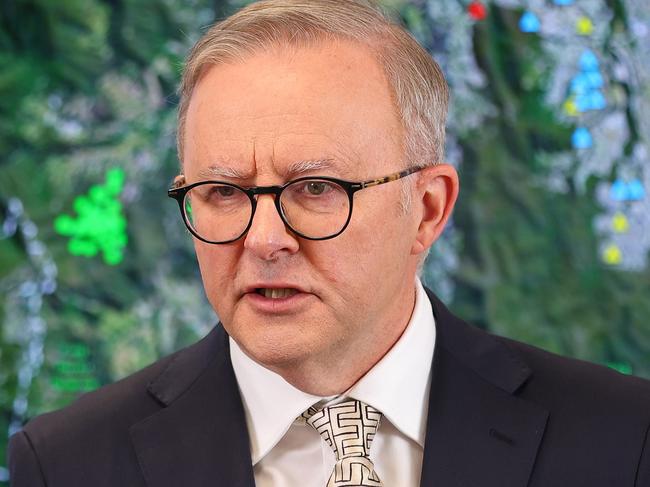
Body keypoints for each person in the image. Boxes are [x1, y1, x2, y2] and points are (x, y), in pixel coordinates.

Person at [7, 1, 650, 486]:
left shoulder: (626, 439)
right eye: (224, 192)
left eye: (316, 189)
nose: (264, 240)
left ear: (427, 210)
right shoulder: (64, 464)